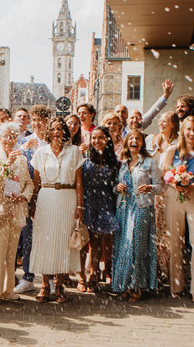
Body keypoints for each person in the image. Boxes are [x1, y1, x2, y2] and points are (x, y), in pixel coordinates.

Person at [30, 117, 84, 303]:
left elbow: (79, 182)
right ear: (48, 132)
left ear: (65, 132)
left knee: (62, 241)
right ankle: (45, 285)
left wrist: (79, 206)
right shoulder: (40, 152)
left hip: (67, 198)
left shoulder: (74, 151)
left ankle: (59, 285)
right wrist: (32, 203)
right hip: (46, 198)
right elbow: (36, 183)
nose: (56, 132)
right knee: (45, 240)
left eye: (59, 129)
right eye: (52, 129)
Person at [0, 122, 33, 303]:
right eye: (6, 136)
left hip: (16, 210)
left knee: (11, 254)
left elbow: (29, 183)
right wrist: (6, 164)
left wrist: (24, 196)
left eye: (13, 137)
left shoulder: (22, 159)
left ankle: (8, 290)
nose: (10, 140)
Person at [161, 116, 194, 302]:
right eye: (188, 129)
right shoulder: (172, 150)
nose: (192, 133)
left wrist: (193, 186)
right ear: (182, 131)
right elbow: (166, 174)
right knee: (176, 242)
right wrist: (177, 185)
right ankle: (176, 285)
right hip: (175, 196)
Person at [113, 130, 162, 301]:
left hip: (142, 206)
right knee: (124, 247)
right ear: (127, 143)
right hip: (124, 208)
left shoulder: (150, 162)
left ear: (142, 143)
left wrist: (150, 188)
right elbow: (116, 185)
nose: (134, 141)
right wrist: (117, 187)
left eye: (138, 139)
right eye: (131, 139)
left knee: (138, 247)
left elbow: (160, 187)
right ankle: (124, 284)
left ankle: (138, 286)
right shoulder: (123, 163)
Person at [14, 105, 52, 294]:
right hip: (27, 194)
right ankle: (28, 277)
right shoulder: (24, 141)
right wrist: (23, 148)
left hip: (48, 194)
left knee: (48, 237)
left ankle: (49, 277)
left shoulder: (53, 143)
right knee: (28, 237)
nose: (38, 124)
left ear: (47, 122)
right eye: (35, 120)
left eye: (42, 120)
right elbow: (13, 163)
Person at [82, 127, 119, 288]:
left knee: (108, 240)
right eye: (94, 138)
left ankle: (108, 271)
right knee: (94, 240)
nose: (97, 141)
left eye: (101, 138)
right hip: (90, 201)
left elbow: (116, 182)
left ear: (107, 139)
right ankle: (94, 272)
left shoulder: (114, 161)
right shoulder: (86, 159)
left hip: (107, 200)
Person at [146, 112, 179, 286]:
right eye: (160, 121)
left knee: (170, 233)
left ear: (173, 124)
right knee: (156, 233)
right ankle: (157, 270)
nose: (160, 123)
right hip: (154, 192)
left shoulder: (178, 144)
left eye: (164, 121)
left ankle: (171, 271)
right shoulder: (152, 141)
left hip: (171, 191)